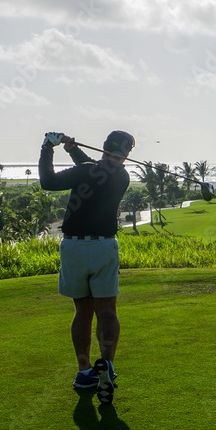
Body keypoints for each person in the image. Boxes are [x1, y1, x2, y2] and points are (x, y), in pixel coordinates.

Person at [39, 130, 134, 404]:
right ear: (126, 154)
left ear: (104, 147)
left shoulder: (86, 170)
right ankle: (108, 366)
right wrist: (72, 150)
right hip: (105, 247)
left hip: (75, 248)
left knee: (83, 311)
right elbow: (95, 170)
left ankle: (84, 372)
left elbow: (48, 181)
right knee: (107, 311)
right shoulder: (122, 177)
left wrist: (48, 147)